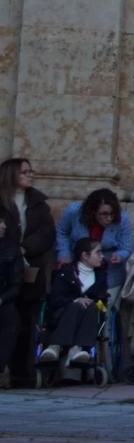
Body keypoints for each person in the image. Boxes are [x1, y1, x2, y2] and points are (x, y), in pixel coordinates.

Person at [56, 189, 133, 376]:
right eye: (103, 214)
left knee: (102, 310)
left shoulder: (122, 219)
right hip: (78, 268)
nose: (108, 218)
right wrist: (64, 254)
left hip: (108, 270)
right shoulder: (73, 212)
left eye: (111, 214)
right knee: (73, 306)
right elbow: (62, 232)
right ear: (92, 212)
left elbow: (126, 247)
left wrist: (119, 255)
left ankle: (98, 361)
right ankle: (67, 358)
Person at [1, 157, 55, 383]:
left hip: (31, 266)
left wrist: (25, 247)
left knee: (26, 320)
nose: (30, 175)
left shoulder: (38, 203)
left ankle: (21, 373)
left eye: (30, 171)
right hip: (5, 267)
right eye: (24, 172)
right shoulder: (2, 201)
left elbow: (47, 233)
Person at [40, 237, 107, 370]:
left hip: (89, 316)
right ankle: (56, 346)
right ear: (85, 255)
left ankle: (79, 348)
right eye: (98, 252)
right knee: (76, 304)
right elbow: (55, 298)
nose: (102, 256)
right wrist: (75, 300)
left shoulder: (101, 276)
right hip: (61, 315)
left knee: (91, 306)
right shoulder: (66, 273)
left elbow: (103, 299)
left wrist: (92, 301)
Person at [0, 216, 22, 387]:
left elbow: (16, 283)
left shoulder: (11, 249)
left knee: (10, 319)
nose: (4, 226)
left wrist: (2, 299)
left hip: (4, 298)